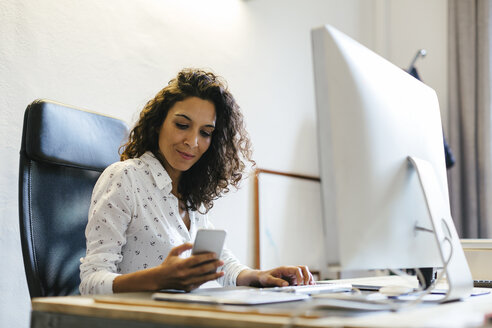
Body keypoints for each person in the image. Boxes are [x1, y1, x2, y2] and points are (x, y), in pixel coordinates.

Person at [79, 68, 314, 294]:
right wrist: (157, 279)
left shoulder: (191, 193)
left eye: (205, 133)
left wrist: (258, 276)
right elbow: (90, 281)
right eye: (182, 125)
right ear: (159, 123)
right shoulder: (125, 177)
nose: (192, 142)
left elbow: (219, 263)